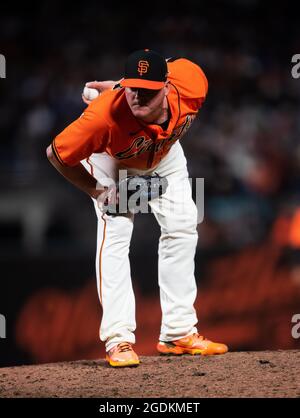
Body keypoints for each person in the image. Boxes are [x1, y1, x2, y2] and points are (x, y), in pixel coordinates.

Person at [46, 49, 228, 367]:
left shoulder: (191, 82)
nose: (138, 97)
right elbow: (55, 154)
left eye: (148, 90)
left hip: (165, 154)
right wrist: (97, 191)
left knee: (184, 225)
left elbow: (165, 71)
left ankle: (179, 333)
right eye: (132, 88)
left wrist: (117, 83)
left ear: (168, 88)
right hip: (113, 163)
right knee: (116, 233)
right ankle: (118, 340)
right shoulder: (102, 116)